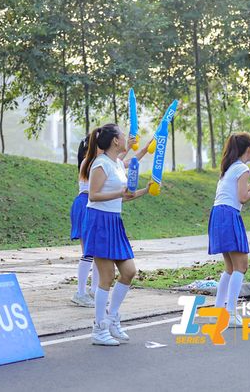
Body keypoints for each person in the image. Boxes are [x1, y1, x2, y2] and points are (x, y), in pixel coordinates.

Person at [83, 124, 151, 346]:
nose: (126, 137)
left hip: (114, 221)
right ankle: (99, 328)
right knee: (106, 277)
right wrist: (120, 193)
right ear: (115, 140)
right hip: (99, 221)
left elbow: (124, 196)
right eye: (122, 134)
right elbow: (93, 195)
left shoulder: (117, 164)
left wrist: (146, 190)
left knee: (129, 271)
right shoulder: (100, 164)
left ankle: (111, 318)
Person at [209, 133, 250, 328]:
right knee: (241, 266)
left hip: (219, 214)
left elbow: (239, 191)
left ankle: (218, 312)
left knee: (230, 267)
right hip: (229, 215)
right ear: (248, 149)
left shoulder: (231, 167)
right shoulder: (243, 168)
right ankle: (230, 314)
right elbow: (242, 197)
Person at [70, 134, 98, 308]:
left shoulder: (98, 162)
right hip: (85, 204)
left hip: (93, 204)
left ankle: (94, 291)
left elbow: (119, 163)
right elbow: (118, 162)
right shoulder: (89, 162)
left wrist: (140, 150)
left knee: (98, 253)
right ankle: (80, 293)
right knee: (88, 252)